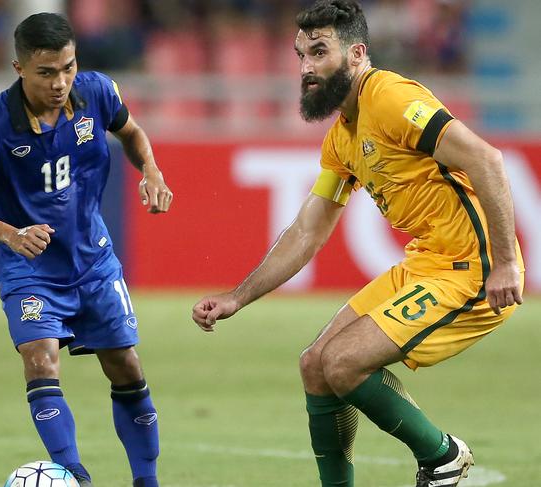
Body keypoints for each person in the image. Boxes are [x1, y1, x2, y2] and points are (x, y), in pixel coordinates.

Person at [192, 1, 524, 486]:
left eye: (319, 52)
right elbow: (308, 230)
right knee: (315, 366)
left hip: (471, 268)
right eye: (300, 55)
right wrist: (237, 297)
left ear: (356, 54)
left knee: (343, 363)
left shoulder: (388, 97)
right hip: (427, 263)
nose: (306, 68)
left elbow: (488, 161)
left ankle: (442, 456)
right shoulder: (342, 138)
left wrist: (507, 264)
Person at [0, 13, 171, 487]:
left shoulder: (98, 92)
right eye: (46, 72)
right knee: (39, 355)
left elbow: (131, 132)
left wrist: (151, 170)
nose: (60, 82)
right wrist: (10, 235)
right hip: (29, 268)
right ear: (19, 68)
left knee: (126, 365)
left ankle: (146, 481)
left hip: (92, 260)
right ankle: (73, 476)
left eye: (67, 68)